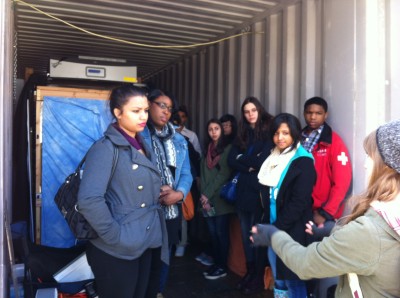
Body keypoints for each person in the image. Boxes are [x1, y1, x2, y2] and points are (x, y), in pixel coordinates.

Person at [251, 119, 400, 298]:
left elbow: (305, 263)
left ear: (388, 166)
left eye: (370, 156)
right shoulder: (389, 215)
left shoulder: (371, 231)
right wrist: (332, 230)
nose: (365, 164)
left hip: (289, 231)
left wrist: (274, 234)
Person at [77, 85, 168, 298]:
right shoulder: (106, 148)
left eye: (145, 110)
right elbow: (89, 200)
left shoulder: (141, 143)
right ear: (118, 113)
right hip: (118, 248)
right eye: (135, 111)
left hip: (145, 240)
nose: (143, 116)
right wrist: (115, 236)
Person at [139, 89, 193, 298]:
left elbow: (186, 172)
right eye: (161, 105)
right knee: (144, 256)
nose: (166, 112)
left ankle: (158, 292)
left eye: (169, 108)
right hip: (144, 209)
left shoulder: (178, 140)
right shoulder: (137, 135)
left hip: (171, 210)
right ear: (148, 104)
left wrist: (179, 194)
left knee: (164, 256)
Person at [257, 113, 316, 298]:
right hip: (275, 228)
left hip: (292, 231)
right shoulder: (273, 157)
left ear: (295, 134)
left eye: (285, 133)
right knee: (279, 279)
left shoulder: (303, 160)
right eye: (276, 133)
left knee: (293, 280)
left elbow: (300, 202)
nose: (280, 138)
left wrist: (277, 229)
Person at [227, 96, 274, 294]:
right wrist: (249, 163)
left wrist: (244, 160)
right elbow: (231, 159)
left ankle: (257, 277)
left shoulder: (268, 132)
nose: (250, 114)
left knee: (257, 236)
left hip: (258, 194)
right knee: (246, 236)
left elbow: (262, 161)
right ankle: (250, 271)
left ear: (259, 110)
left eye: (253, 110)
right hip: (242, 194)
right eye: (246, 111)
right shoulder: (243, 133)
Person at [301, 96, 352, 232]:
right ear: (304, 113)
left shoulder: (334, 142)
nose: (313, 117)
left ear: (325, 115)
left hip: (320, 213)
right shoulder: (298, 138)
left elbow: (342, 183)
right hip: (298, 208)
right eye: (309, 113)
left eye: (318, 113)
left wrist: (326, 213)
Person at [199, 119, 235, 280]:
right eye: (210, 129)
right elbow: (203, 175)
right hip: (206, 199)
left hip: (219, 199)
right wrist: (203, 197)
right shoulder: (207, 149)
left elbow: (223, 175)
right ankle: (217, 263)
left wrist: (206, 194)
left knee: (221, 234)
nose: (213, 132)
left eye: (216, 128)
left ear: (221, 130)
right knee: (213, 234)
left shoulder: (227, 149)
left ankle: (222, 266)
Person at [174, 105, 202, 257]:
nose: (178, 123)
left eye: (182, 117)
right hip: (168, 184)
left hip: (184, 182)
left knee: (183, 213)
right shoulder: (160, 139)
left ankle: (182, 243)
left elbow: (196, 158)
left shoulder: (188, 138)